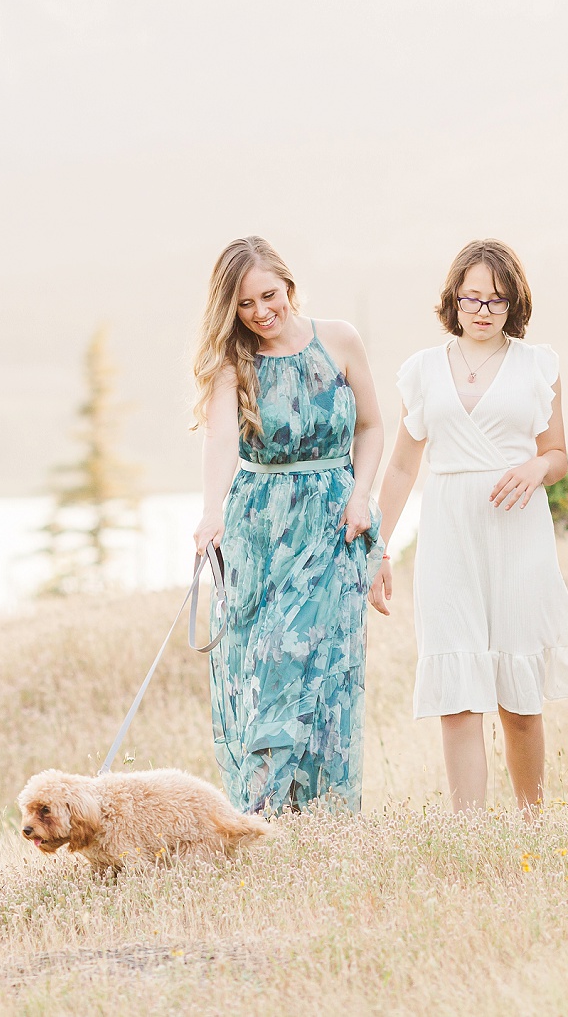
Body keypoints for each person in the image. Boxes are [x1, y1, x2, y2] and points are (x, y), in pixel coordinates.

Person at [375, 240, 568, 815]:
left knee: (519, 697)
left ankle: (531, 819)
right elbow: (404, 464)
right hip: (448, 533)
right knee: (458, 691)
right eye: (472, 297)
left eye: (496, 301)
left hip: (516, 532)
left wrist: (534, 468)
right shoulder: (423, 370)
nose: (483, 310)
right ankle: (470, 832)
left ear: (513, 306)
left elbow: (558, 453)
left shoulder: (536, 365)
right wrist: (378, 544)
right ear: (453, 299)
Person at [191, 236, 384, 813]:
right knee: (267, 666)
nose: (260, 313)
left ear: (288, 285)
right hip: (261, 531)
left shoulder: (340, 340)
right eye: (244, 306)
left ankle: (322, 820)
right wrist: (211, 510)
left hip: (332, 524)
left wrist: (361, 495)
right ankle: (261, 816)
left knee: (323, 668)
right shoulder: (234, 362)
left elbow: (372, 427)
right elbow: (222, 440)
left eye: (267, 296)